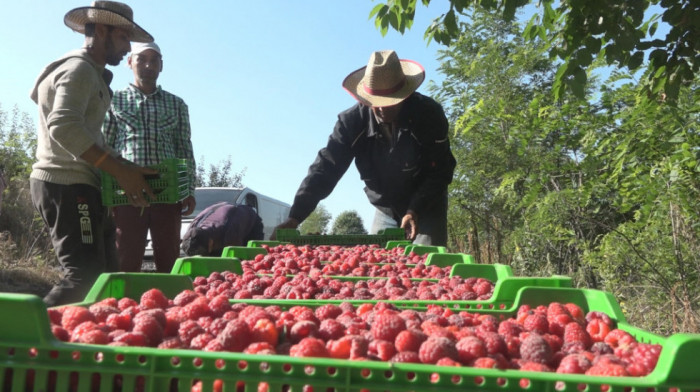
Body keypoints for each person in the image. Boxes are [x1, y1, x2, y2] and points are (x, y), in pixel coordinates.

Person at [29, 1, 157, 307]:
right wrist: (118, 170)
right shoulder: (79, 69)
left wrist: (127, 167)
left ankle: (88, 347)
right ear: (101, 29)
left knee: (107, 278)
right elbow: (63, 126)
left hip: (82, 184)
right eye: (125, 38)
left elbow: (88, 135)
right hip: (65, 183)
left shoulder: (91, 73)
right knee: (83, 276)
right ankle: (28, 337)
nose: (128, 48)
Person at [273, 50, 456, 246]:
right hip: (385, 207)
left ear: (405, 96)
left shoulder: (429, 115)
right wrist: (296, 216)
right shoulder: (351, 122)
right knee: (378, 264)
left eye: (390, 102)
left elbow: (440, 170)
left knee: (429, 262)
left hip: (426, 205)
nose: (382, 109)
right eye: (376, 102)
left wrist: (415, 209)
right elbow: (326, 168)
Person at [103, 41, 196, 273]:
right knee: (126, 256)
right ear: (129, 62)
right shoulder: (114, 100)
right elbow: (106, 145)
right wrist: (102, 193)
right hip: (126, 190)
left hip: (168, 190)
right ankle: (126, 305)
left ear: (161, 66)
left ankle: (173, 306)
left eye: (154, 60)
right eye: (142, 59)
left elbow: (184, 148)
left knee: (170, 257)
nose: (148, 65)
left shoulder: (177, 104)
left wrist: (188, 190)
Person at [181, 202, 264, 257]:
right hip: (223, 210)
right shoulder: (192, 227)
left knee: (248, 258)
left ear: (210, 242)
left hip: (251, 222)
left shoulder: (229, 234)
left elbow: (234, 257)